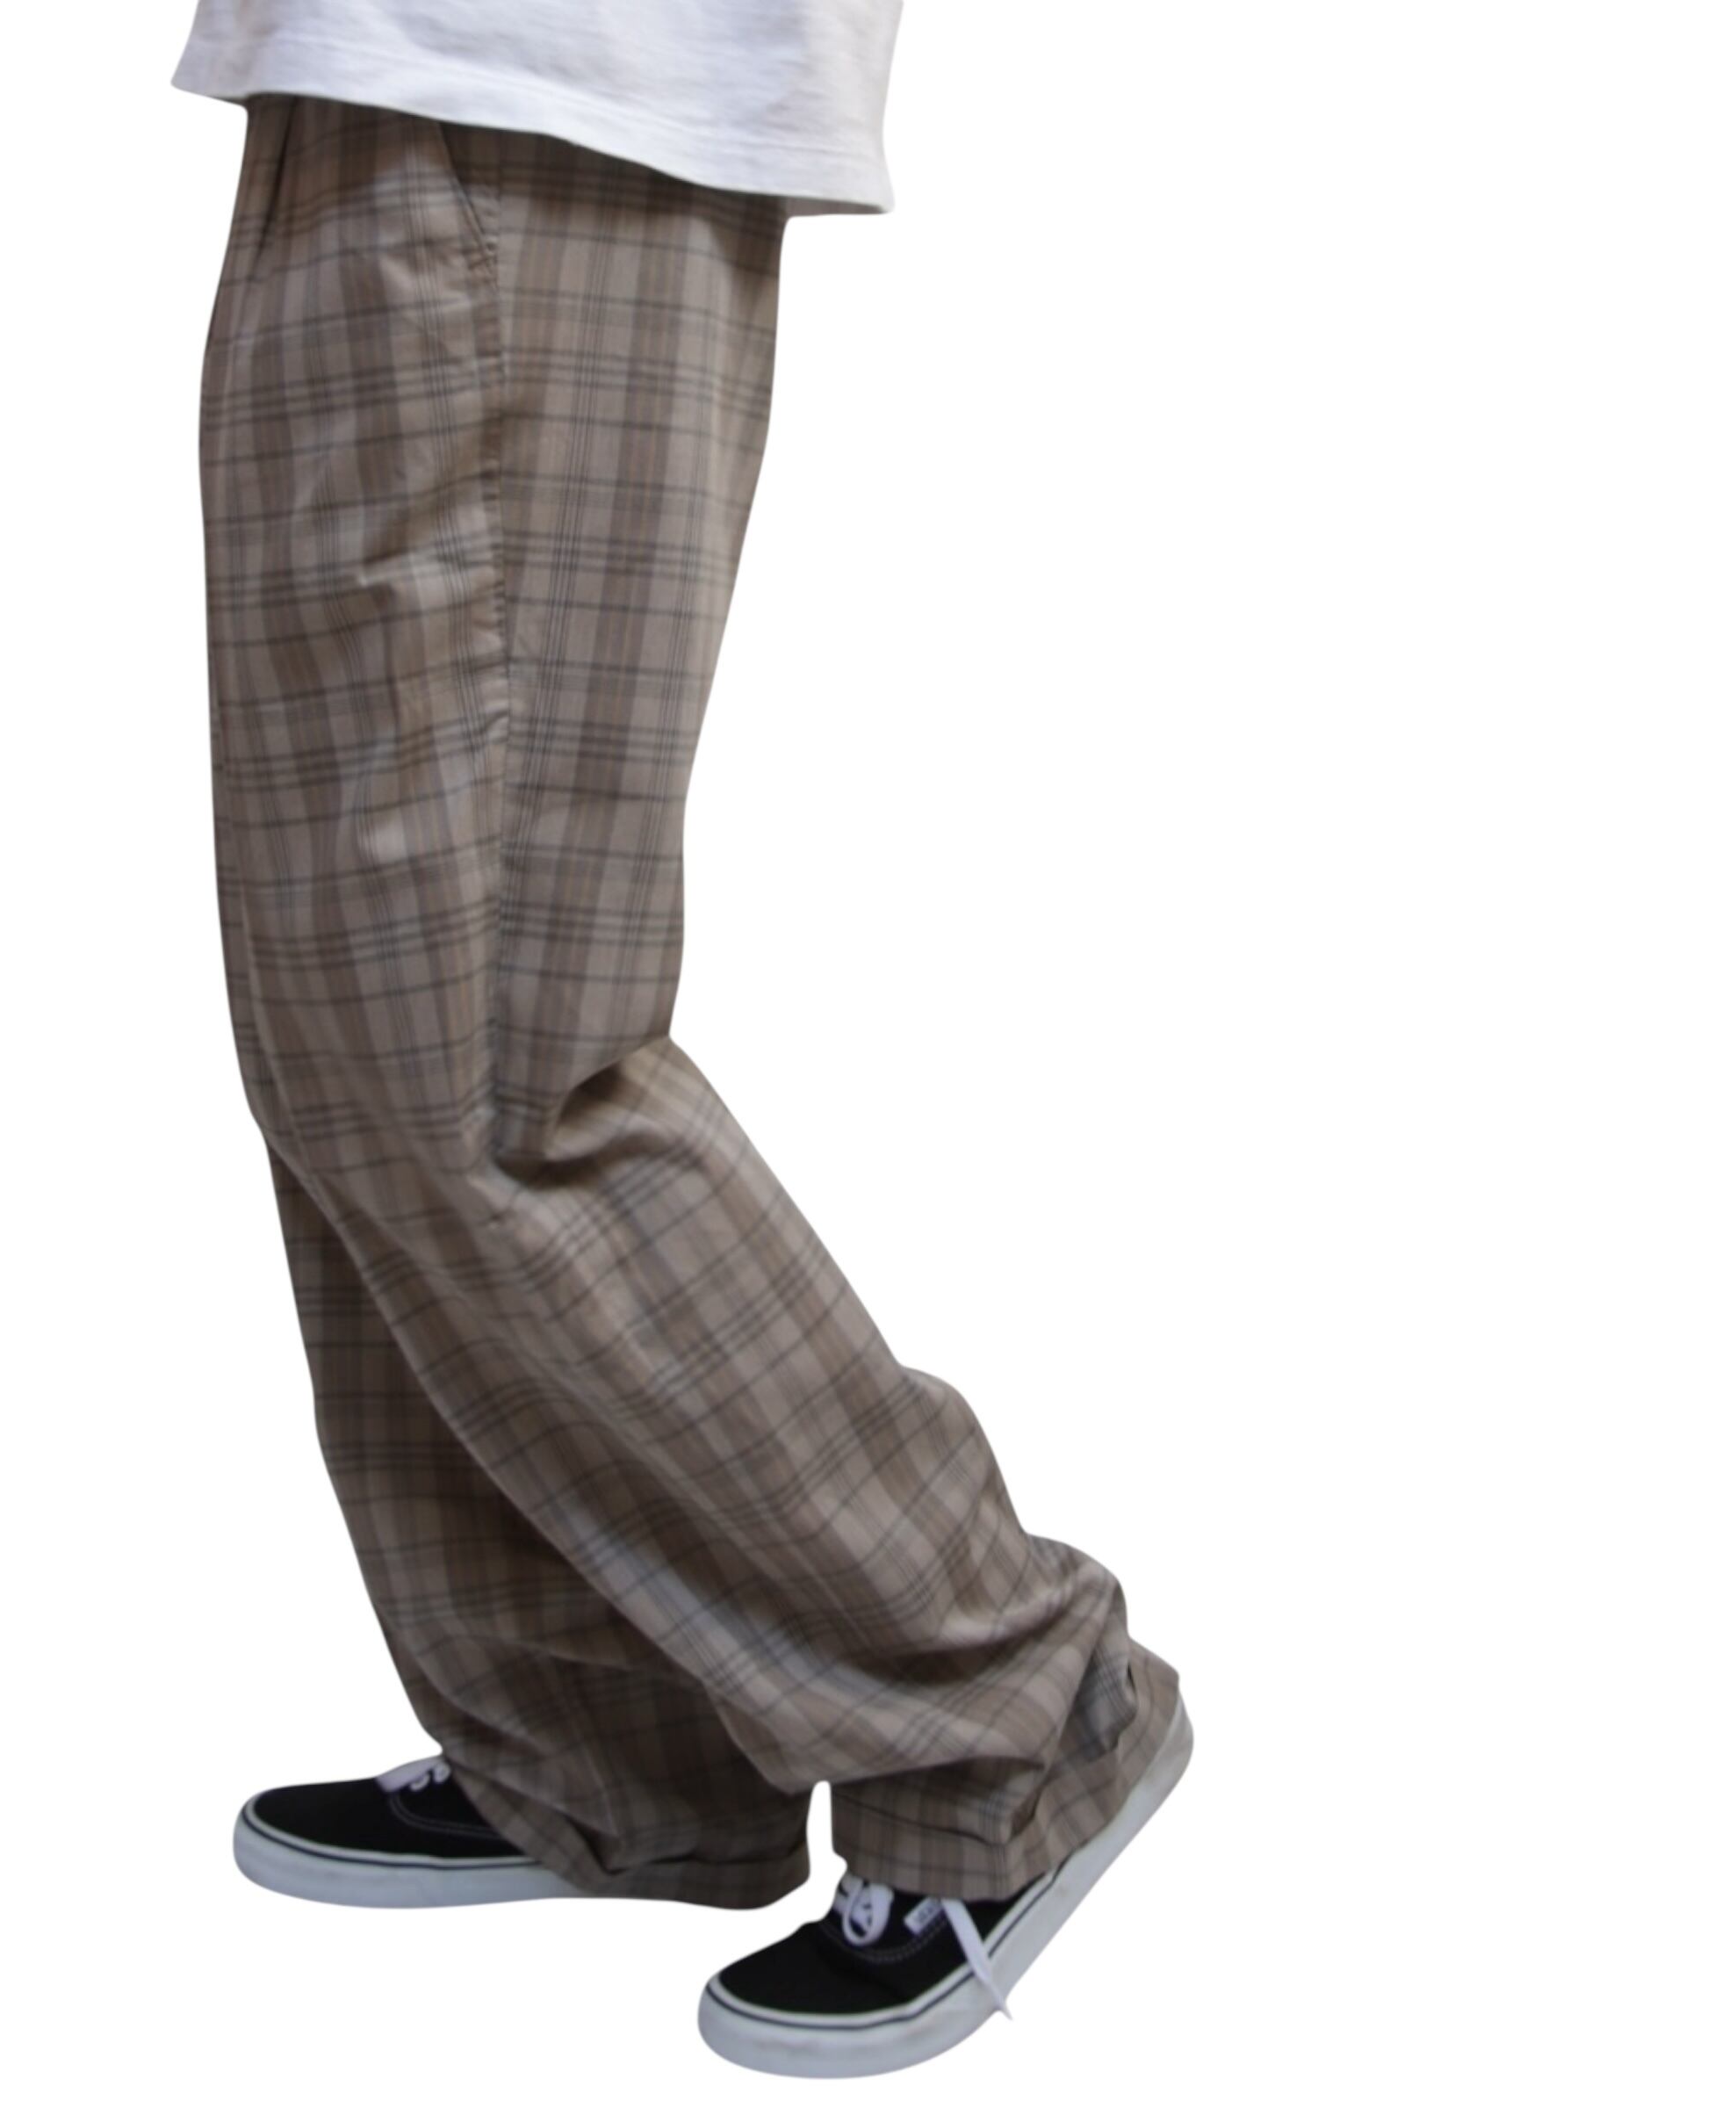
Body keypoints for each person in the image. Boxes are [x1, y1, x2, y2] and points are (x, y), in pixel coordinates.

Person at [173, 0, 1190, 2077]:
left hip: (526, 93)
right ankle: (602, 1739)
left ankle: (1006, 1708)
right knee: (357, 1037)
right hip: (419, 89)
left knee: (475, 1066)